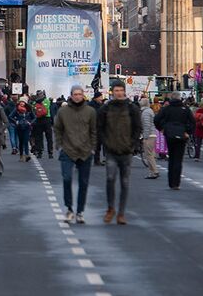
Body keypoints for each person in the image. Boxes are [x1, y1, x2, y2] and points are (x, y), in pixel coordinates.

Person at [99, 81, 142, 225]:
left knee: (125, 182)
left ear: (124, 91)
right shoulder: (106, 108)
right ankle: (110, 208)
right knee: (110, 179)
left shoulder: (131, 108)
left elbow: (137, 127)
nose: (118, 93)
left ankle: (121, 213)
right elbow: (100, 128)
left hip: (126, 151)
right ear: (112, 92)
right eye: (116, 90)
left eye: (120, 90)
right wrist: (106, 142)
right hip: (111, 150)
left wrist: (132, 144)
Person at [56, 85, 97, 224]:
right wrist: (59, 145)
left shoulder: (90, 111)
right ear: (71, 95)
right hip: (68, 150)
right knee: (66, 178)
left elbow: (94, 130)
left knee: (83, 183)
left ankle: (80, 211)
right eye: (75, 94)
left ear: (83, 95)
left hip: (85, 151)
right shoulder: (63, 111)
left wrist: (93, 147)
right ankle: (69, 209)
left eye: (80, 94)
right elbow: (58, 128)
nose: (78, 96)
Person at [155, 93, 195, 190]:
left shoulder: (167, 109)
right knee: (178, 159)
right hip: (181, 134)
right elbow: (193, 122)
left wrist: (162, 129)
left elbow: (156, 119)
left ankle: (171, 182)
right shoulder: (185, 109)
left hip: (169, 134)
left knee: (171, 158)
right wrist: (187, 132)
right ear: (180, 98)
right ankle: (176, 183)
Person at [138, 96, 159, 179]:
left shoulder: (145, 112)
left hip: (149, 135)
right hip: (152, 134)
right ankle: (152, 171)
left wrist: (145, 137)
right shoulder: (149, 111)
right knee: (151, 154)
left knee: (148, 154)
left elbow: (146, 125)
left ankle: (154, 171)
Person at [32, 93, 55, 158]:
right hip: (47, 119)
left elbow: (33, 110)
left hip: (39, 120)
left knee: (39, 137)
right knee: (49, 137)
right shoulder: (48, 101)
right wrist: (53, 122)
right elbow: (51, 111)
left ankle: (40, 152)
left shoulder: (35, 102)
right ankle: (50, 152)